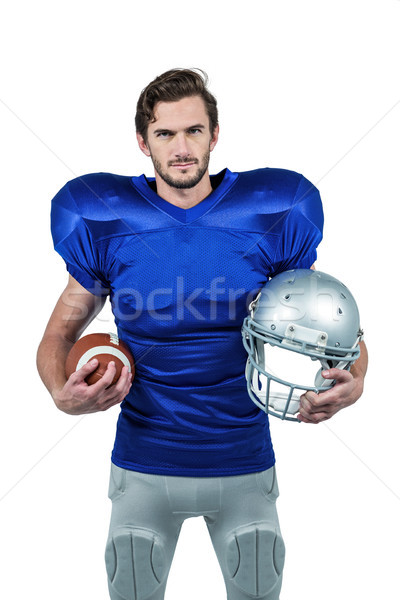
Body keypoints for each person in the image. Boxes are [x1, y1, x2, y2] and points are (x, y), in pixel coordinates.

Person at [37, 68, 368, 600]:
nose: (182, 147)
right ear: (143, 142)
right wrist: (60, 392)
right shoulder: (108, 221)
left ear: (215, 135)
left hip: (243, 461)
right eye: (165, 134)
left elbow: (330, 323)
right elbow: (57, 337)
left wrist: (356, 379)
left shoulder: (270, 212)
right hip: (143, 463)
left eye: (194, 130)